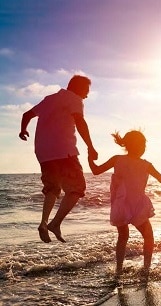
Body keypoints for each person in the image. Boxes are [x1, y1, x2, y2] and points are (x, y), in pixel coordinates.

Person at [88, 130, 161, 277]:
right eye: (142, 144)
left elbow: (96, 170)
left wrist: (90, 158)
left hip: (121, 205)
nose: (143, 148)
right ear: (132, 145)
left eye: (144, 145)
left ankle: (119, 270)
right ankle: (146, 269)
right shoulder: (145, 165)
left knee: (123, 237)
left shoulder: (118, 159)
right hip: (137, 206)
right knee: (148, 236)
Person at [19, 75, 98, 243]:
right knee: (77, 188)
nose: (87, 95)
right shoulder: (75, 99)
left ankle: (43, 223)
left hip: (44, 153)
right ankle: (55, 224)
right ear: (78, 88)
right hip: (64, 151)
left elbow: (27, 115)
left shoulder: (49, 99)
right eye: (86, 90)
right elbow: (80, 122)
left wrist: (23, 130)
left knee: (52, 188)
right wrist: (90, 146)